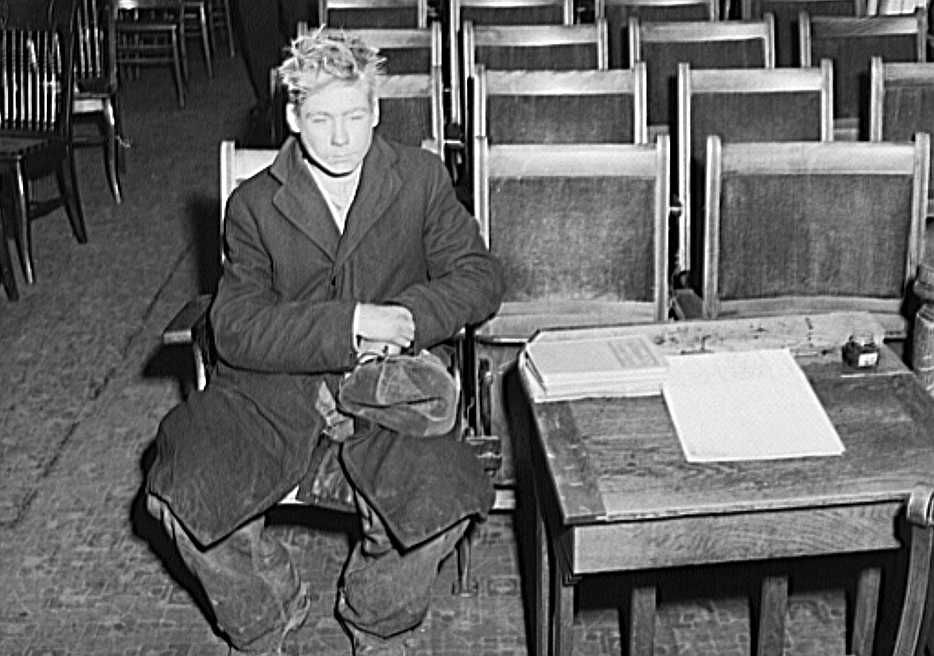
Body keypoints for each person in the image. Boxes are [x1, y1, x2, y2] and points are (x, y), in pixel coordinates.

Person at [145, 29, 505, 656]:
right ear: (292, 116)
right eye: (319, 118)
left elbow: (479, 278)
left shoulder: (418, 178)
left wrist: (407, 317)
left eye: (354, 115)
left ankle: (375, 617)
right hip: (273, 392)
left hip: (390, 390)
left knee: (446, 495)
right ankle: (270, 612)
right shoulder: (254, 203)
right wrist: (352, 321)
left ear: (377, 110)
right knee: (179, 489)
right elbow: (234, 325)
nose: (340, 137)